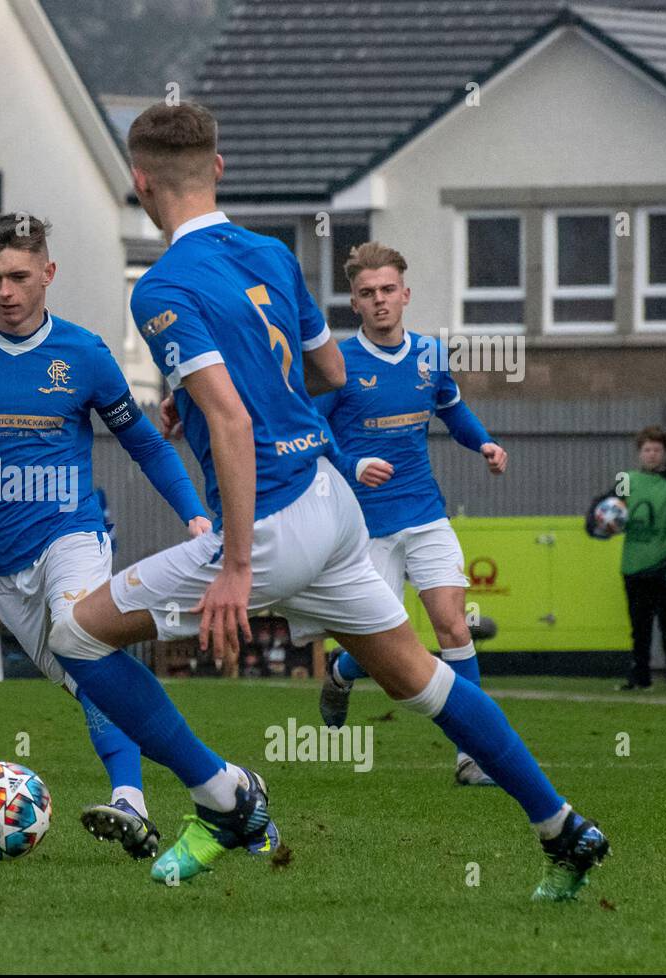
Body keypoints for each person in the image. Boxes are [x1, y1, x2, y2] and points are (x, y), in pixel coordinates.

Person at [46, 101, 608, 901]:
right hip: (331, 499)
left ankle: (225, 795)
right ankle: (563, 826)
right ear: (220, 167)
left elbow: (236, 421)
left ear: (139, 183)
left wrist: (236, 565)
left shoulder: (162, 285)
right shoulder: (273, 253)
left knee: (77, 637)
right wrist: (196, 401)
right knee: (423, 679)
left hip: (269, 522)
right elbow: (327, 375)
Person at [0, 213, 227, 861]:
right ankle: (222, 786)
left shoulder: (85, 353)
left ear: (49, 272)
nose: (5, 292)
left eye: (19, 277)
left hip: (71, 534)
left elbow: (143, 441)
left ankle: (132, 797)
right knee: (89, 679)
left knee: (86, 642)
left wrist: (195, 512)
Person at [312, 240, 509, 787]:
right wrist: (352, 465)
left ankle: (472, 756)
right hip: (363, 528)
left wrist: (485, 444)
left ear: (405, 294)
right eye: (366, 293)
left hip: (425, 513)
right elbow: (313, 431)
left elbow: (452, 409)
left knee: (452, 626)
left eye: (387, 291)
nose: (379, 301)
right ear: (354, 302)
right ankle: (341, 669)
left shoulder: (430, 354)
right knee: (385, 653)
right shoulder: (337, 364)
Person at [613, 426, 666, 691]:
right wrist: (601, 523)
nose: (652, 455)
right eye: (647, 450)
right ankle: (640, 678)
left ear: (665, 453)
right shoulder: (626, 480)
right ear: (640, 452)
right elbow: (607, 511)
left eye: (657, 450)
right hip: (633, 565)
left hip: (665, 566)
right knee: (640, 628)